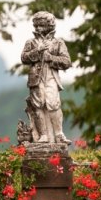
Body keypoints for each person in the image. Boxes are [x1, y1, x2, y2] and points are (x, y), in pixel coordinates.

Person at [21, 11, 71, 144]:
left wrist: (51, 58)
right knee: (38, 105)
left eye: (41, 25)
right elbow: (24, 58)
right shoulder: (31, 42)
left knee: (53, 104)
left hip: (51, 77)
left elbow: (66, 62)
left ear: (49, 25)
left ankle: (59, 134)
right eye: (36, 25)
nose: (37, 28)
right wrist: (38, 50)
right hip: (36, 79)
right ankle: (43, 135)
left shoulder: (57, 42)